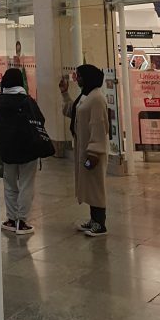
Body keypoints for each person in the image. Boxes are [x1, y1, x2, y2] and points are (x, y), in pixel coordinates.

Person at [60, 64, 110, 236]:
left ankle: (100, 224)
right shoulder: (85, 96)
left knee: (96, 186)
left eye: (80, 76)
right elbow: (73, 112)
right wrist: (64, 93)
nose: (78, 79)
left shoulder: (97, 98)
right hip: (84, 148)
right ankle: (93, 220)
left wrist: (94, 151)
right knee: (89, 186)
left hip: (94, 152)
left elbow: (99, 125)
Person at [0, 67, 46, 236]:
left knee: (9, 185)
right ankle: (22, 222)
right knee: (26, 185)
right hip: (28, 150)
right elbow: (40, 120)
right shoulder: (27, 101)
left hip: (8, 150)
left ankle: (11, 219)